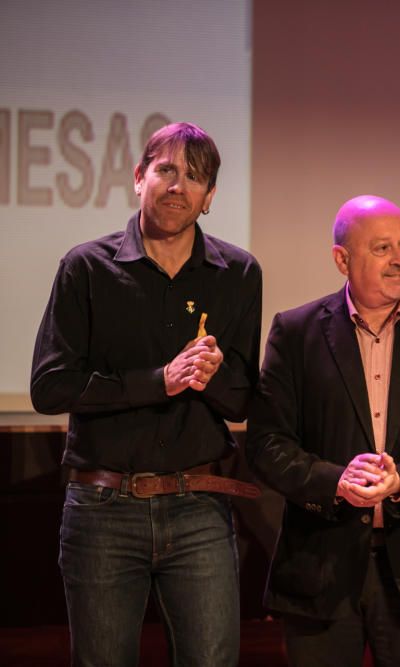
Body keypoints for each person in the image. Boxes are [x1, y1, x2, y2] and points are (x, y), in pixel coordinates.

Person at [30, 122, 263, 666]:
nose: (179, 186)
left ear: (209, 198)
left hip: (200, 506)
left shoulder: (238, 273)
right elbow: (49, 386)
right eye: (166, 170)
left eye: (196, 178)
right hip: (103, 506)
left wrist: (212, 374)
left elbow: (244, 399)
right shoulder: (87, 267)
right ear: (139, 178)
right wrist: (160, 380)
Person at [246, 195, 400, 667]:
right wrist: (335, 481)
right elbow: (266, 444)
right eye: (382, 248)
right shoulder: (295, 333)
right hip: (320, 573)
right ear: (342, 259)